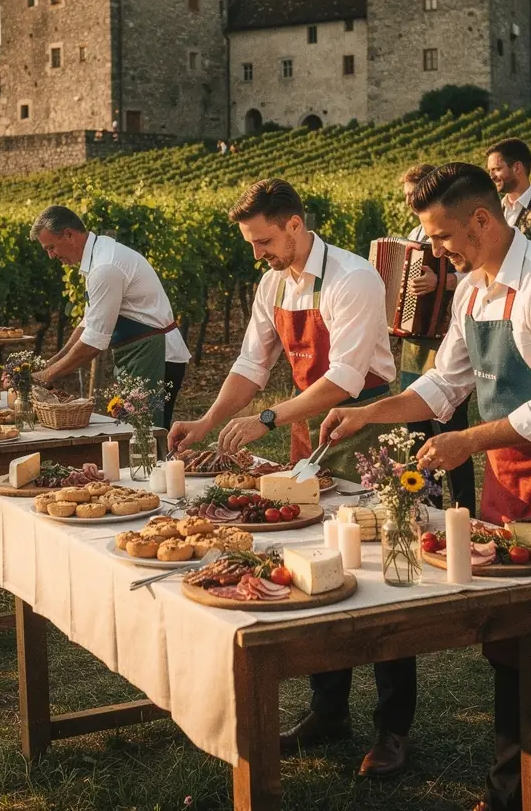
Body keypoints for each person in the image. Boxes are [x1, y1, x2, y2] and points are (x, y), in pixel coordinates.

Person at [320, 162, 531, 811]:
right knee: (511, 644)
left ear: (483, 221)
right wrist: (370, 411)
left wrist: (467, 441)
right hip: (509, 479)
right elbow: (444, 387)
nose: (433, 252)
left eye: (440, 238)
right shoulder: (471, 292)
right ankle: (510, 790)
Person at [169, 179, 414, 778]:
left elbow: (348, 379)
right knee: (317, 572)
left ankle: (392, 729)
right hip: (313, 433)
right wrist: (207, 421)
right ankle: (328, 709)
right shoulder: (273, 282)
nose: (258, 254)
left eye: (265, 241)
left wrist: (271, 418)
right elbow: (253, 365)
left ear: (297, 225)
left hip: (371, 430)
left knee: (383, 578)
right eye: (252, 244)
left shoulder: (353, 279)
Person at [30, 206, 190, 428]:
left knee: (145, 437)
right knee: (136, 434)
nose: (51, 255)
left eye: (51, 247)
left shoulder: (105, 267)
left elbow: (94, 342)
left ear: (69, 234)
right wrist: (51, 363)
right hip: (140, 354)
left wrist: (47, 376)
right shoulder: (99, 255)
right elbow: (88, 323)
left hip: (155, 355)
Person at [399, 164, 476, 514]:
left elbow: (471, 276)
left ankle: (462, 509)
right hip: (415, 344)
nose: (409, 203)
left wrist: (443, 283)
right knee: (417, 430)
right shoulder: (414, 235)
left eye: (414, 195)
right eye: (406, 197)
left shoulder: (453, 232)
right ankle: (428, 505)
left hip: (445, 337)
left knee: (451, 427)